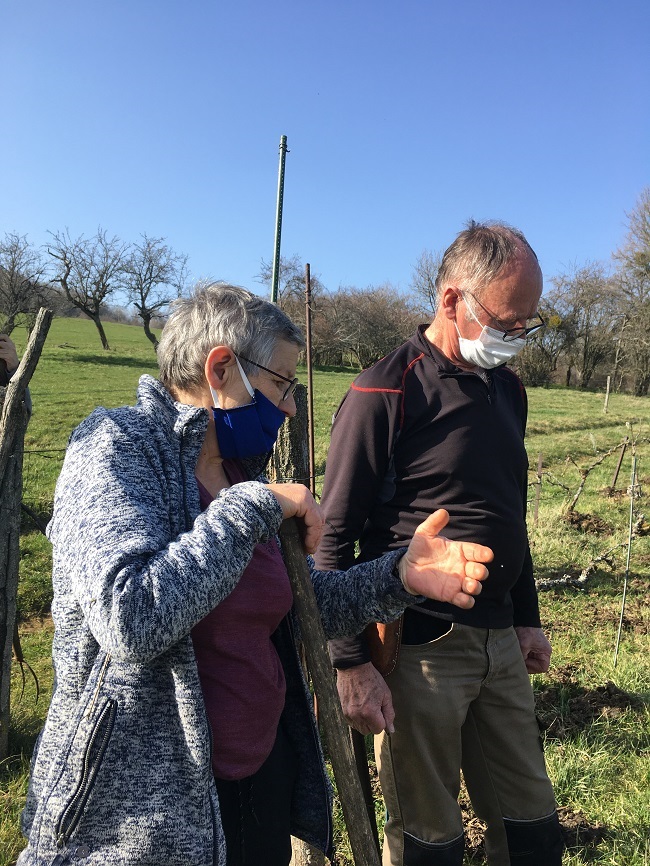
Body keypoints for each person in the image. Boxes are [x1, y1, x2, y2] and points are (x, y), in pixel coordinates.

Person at [17, 283, 495, 866]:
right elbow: (131, 618)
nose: (291, 407)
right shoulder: (117, 447)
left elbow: (297, 607)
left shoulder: (240, 473)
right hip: (143, 815)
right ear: (221, 368)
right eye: (281, 384)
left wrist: (397, 575)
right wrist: (251, 510)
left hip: (259, 776)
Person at [315, 222, 565, 866]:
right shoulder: (384, 392)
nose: (515, 339)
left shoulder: (506, 389)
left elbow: (507, 509)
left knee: (532, 824)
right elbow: (334, 538)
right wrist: (350, 663)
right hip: (420, 646)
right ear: (452, 300)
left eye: (526, 326)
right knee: (430, 836)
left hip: (500, 642)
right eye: (507, 322)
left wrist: (527, 618)